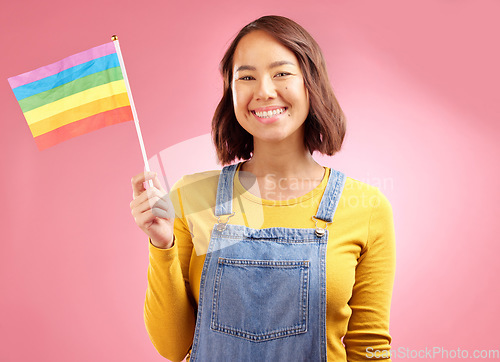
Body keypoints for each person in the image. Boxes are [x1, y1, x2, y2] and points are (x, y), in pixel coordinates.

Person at [130, 15, 396, 361]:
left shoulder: (366, 207)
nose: (264, 90)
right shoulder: (190, 196)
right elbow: (172, 345)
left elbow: (369, 348)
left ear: (310, 83)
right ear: (232, 92)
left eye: (281, 73)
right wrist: (162, 244)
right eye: (246, 77)